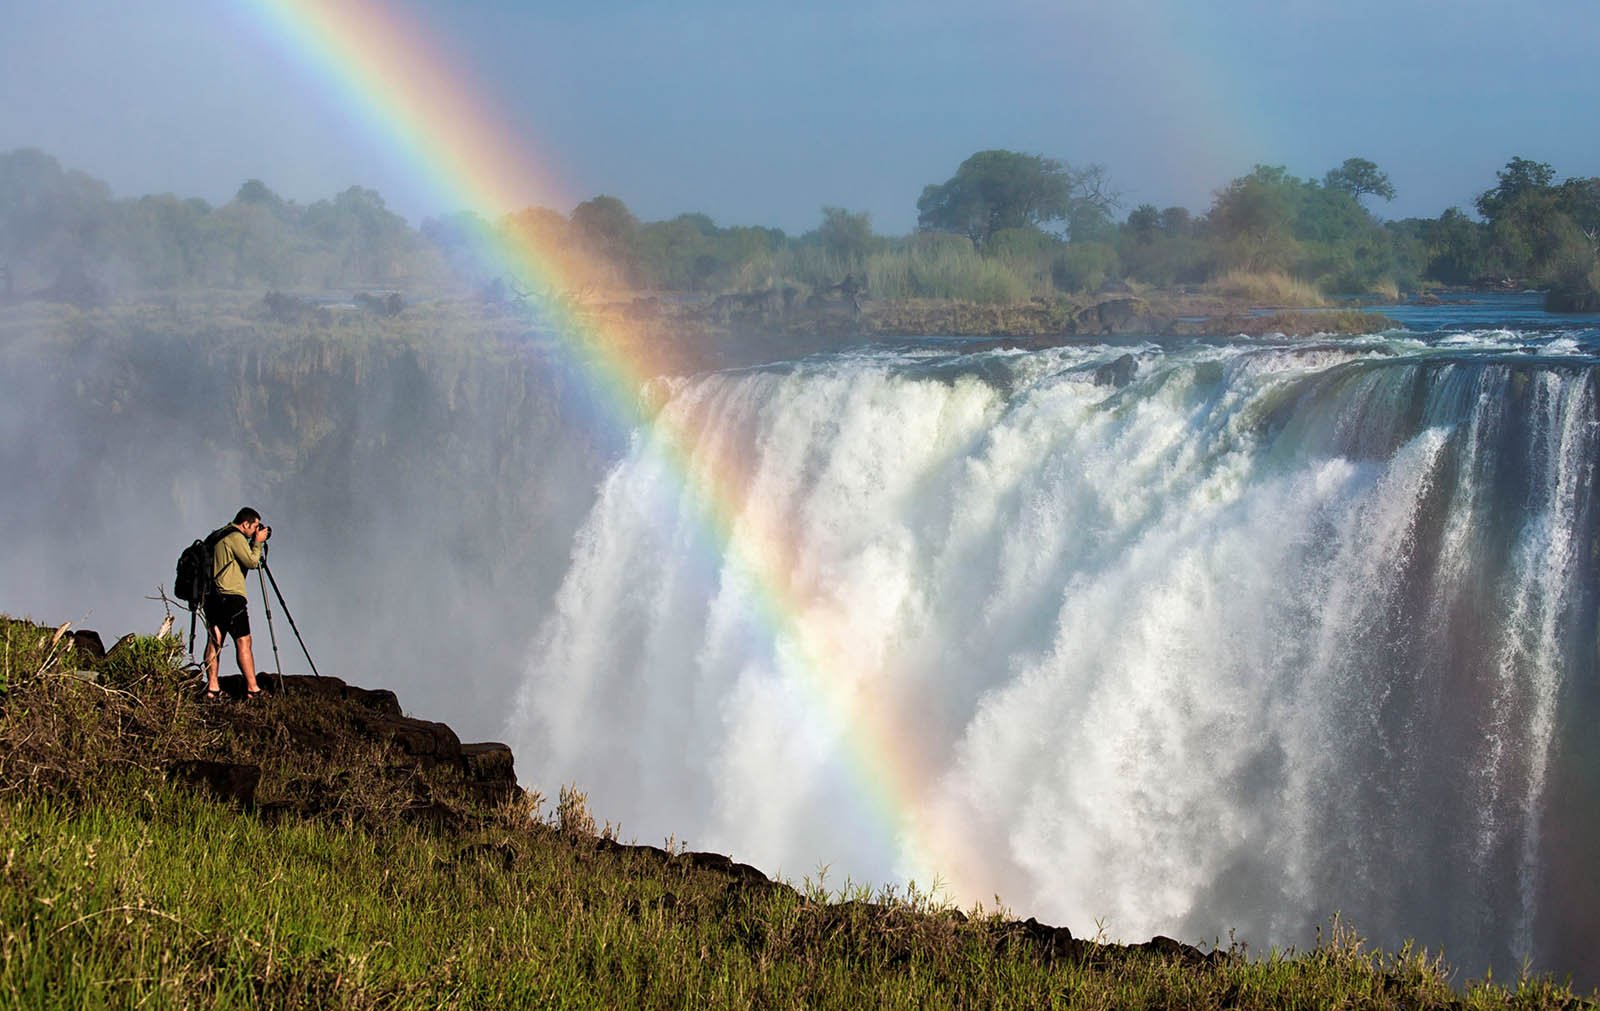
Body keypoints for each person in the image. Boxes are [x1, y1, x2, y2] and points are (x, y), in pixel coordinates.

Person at [202, 507, 271, 701]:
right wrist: (257, 543)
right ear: (246, 523)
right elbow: (251, 562)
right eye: (255, 526)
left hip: (212, 597)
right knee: (244, 641)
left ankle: (212, 688)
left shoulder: (219, 535)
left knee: (215, 642)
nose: (256, 530)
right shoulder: (236, 537)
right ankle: (252, 689)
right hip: (232, 598)